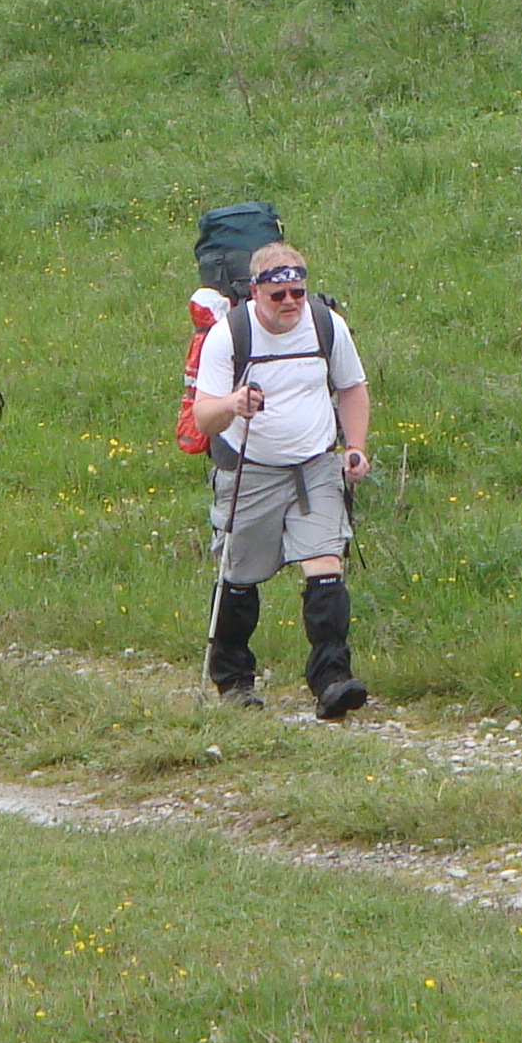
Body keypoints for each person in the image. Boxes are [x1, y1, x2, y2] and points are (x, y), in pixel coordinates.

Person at [188, 240, 373, 718]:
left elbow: (352, 388)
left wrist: (354, 447)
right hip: (250, 472)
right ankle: (234, 681)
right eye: (278, 295)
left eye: (298, 292)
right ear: (255, 292)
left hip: (316, 466)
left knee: (325, 566)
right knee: (240, 578)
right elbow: (203, 416)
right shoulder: (229, 336)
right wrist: (234, 405)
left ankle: (332, 680)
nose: (291, 303)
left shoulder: (326, 324)